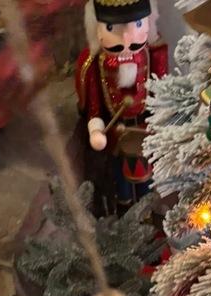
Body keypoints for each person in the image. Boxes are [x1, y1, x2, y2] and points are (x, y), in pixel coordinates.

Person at [75, 0, 167, 213]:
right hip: (116, 132)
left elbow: (160, 91)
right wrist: (96, 129)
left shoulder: (152, 55)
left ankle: (146, 209)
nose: (126, 39)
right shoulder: (95, 65)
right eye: (111, 29)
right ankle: (125, 210)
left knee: (145, 173)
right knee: (121, 179)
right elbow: (94, 106)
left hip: (144, 129)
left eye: (137, 24)